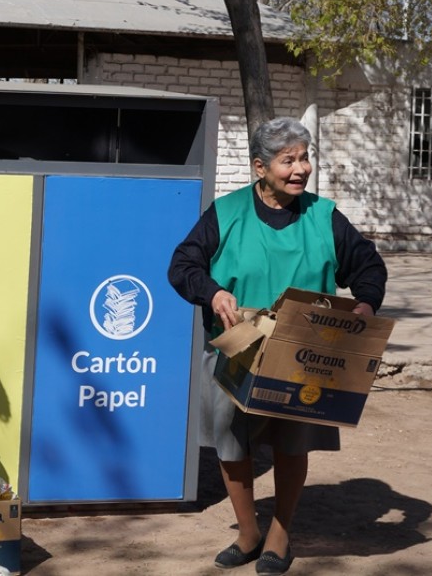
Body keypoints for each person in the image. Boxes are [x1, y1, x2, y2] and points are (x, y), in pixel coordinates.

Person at [167, 117, 386, 575]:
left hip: (303, 350)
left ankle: (280, 536)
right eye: (288, 160)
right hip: (236, 347)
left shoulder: (324, 217)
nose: (300, 168)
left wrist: (363, 308)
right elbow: (183, 264)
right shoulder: (225, 214)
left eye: (304, 158)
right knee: (231, 443)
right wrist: (213, 292)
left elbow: (368, 267)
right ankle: (248, 533)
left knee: (292, 443)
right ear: (259, 168)